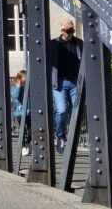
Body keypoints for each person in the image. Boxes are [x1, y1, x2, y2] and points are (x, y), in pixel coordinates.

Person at [49, 17, 83, 153]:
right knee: (62, 111)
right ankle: (60, 136)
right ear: (62, 30)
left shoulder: (80, 43)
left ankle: (73, 138)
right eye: (67, 31)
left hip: (75, 82)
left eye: (72, 31)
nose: (70, 33)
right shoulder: (53, 44)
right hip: (59, 83)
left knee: (76, 111)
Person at [11, 68, 30, 156]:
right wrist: (18, 86)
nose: (25, 79)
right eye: (24, 78)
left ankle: (28, 143)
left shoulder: (29, 87)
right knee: (23, 130)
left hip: (29, 112)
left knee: (30, 130)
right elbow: (15, 95)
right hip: (19, 113)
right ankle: (23, 147)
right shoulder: (17, 88)